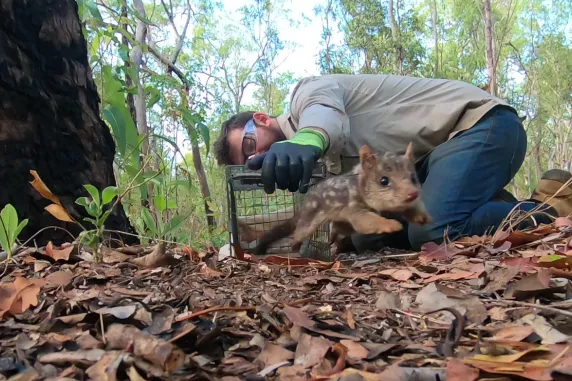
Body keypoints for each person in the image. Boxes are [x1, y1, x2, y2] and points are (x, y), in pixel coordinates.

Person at [214, 74, 572, 252]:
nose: (256, 157)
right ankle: (509, 204)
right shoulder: (319, 171)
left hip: (480, 126)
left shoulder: (308, 95)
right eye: (247, 160)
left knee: (429, 230)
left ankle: (551, 209)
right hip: (432, 167)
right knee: (367, 240)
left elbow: (325, 120)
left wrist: (305, 142)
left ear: (261, 119)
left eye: (249, 144)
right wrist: (250, 244)